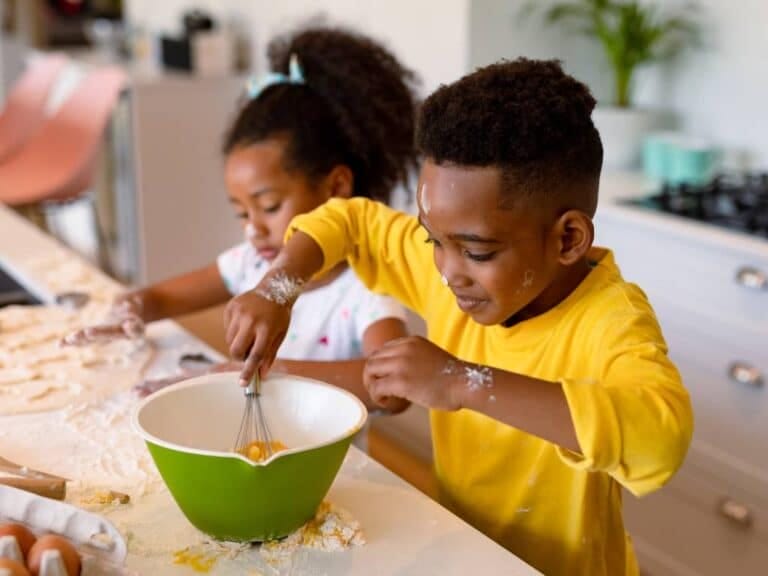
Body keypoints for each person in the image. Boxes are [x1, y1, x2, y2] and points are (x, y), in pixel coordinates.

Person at [223, 58, 694, 575]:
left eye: (478, 252)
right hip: (463, 553)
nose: (448, 271)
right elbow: (350, 220)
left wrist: (462, 381)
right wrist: (279, 286)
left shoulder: (610, 320)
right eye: (432, 239)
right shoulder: (449, 269)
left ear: (567, 239)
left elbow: (659, 437)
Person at [64, 25, 420, 413]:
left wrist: (267, 371)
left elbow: (396, 391)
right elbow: (159, 297)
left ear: (336, 188)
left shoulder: (366, 290)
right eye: (241, 212)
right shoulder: (252, 264)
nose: (254, 228)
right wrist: (130, 309)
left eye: (269, 207)